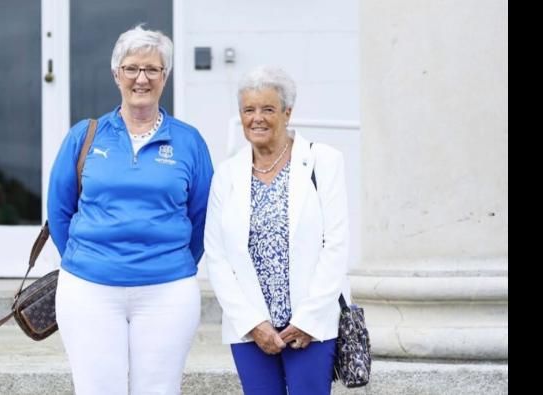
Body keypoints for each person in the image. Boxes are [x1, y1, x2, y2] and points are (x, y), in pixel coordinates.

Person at [47, 25, 214, 395]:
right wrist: (90, 258)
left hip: (167, 291)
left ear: (165, 77)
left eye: (153, 69)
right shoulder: (85, 135)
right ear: (116, 75)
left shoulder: (189, 141)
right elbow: (59, 212)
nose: (142, 78)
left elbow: (203, 217)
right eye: (132, 68)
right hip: (89, 288)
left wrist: (167, 260)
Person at [204, 66, 351, 395]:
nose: (257, 118)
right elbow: (216, 257)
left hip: (310, 328)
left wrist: (308, 319)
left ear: (287, 112)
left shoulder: (323, 162)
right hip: (251, 328)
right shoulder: (226, 175)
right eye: (248, 110)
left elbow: (337, 245)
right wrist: (252, 324)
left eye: (268, 109)